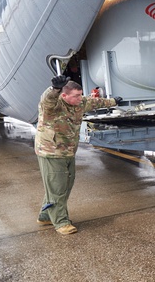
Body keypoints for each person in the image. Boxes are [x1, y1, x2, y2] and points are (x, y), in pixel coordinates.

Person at [35, 76, 121, 234]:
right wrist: (54, 89)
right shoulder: (53, 105)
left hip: (68, 150)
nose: (79, 98)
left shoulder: (80, 102)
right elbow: (47, 100)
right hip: (51, 151)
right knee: (58, 187)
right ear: (64, 95)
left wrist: (114, 101)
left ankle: (46, 215)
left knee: (65, 184)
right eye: (75, 95)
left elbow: (95, 102)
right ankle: (61, 223)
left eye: (80, 94)